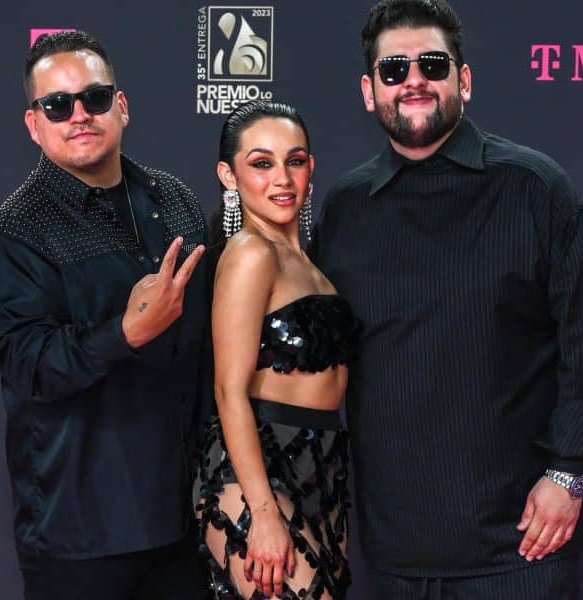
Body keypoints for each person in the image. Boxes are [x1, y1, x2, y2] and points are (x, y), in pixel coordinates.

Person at [310, 1, 583, 598]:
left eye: (432, 64)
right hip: (394, 553)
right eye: (394, 70)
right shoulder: (346, 208)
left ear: (465, 80)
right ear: (369, 92)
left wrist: (570, 475)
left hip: (522, 547)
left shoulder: (534, 189)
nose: (414, 81)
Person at [0, 31, 208, 599]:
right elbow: (28, 365)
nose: (79, 114)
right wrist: (126, 332)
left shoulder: (176, 200)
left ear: (121, 106)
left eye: (95, 98)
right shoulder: (16, 234)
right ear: (34, 124)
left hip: (185, 519)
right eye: (58, 105)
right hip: (78, 536)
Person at [194, 100, 355, 600]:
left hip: (322, 467)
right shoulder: (250, 253)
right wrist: (262, 510)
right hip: (257, 471)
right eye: (262, 163)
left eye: (295, 160)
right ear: (229, 175)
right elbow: (228, 391)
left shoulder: (308, 262)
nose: (282, 178)